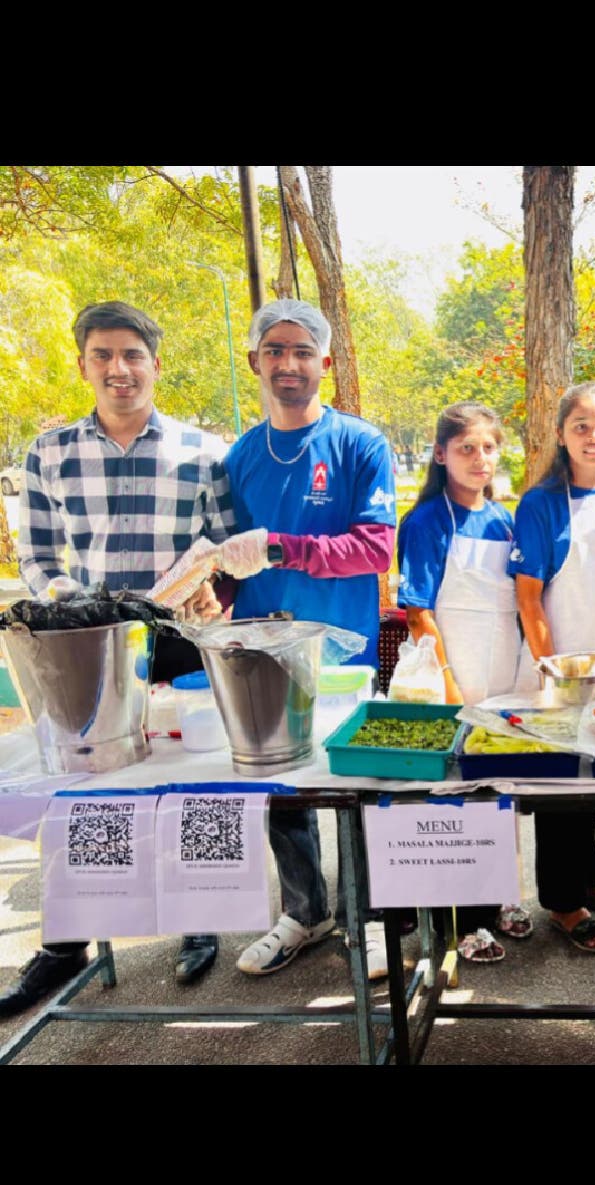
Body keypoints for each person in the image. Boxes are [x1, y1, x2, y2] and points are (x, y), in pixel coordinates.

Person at [3, 301, 236, 1018]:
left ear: (155, 364)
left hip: (177, 639)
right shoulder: (50, 453)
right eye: (103, 355)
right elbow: (37, 555)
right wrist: (76, 603)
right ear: (84, 366)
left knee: (194, 780)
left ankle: (200, 917)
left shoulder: (203, 451)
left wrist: (215, 592)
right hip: (88, 645)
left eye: (132, 355)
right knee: (81, 791)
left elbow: (226, 549)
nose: (119, 369)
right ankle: (67, 942)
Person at [217, 299, 397, 979]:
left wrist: (281, 547)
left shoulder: (360, 444)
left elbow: (375, 548)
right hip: (260, 650)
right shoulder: (240, 457)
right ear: (255, 361)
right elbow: (229, 560)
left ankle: (367, 914)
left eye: (301, 351)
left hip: (343, 649)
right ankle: (304, 911)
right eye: (274, 350)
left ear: (325, 362)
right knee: (279, 790)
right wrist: (213, 593)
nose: (287, 363)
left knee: (354, 784)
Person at [395, 401, 526, 962]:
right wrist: (448, 682)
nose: (479, 459)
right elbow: (418, 612)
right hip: (455, 674)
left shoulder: (503, 520)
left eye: (488, 448)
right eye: (466, 448)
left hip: (504, 674)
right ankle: (464, 921)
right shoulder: (426, 521)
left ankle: (502, 895)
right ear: (441, 454)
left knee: (504, 789)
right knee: (460, 797)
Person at [508, 383, 595, 954]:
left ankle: (589, 878)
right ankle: (563, 902)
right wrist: (552, 671)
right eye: (581, 426)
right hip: (560, 667)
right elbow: (529, 597)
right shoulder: (540, 503)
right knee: (561, 788)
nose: (594, 437)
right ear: (561, 434)